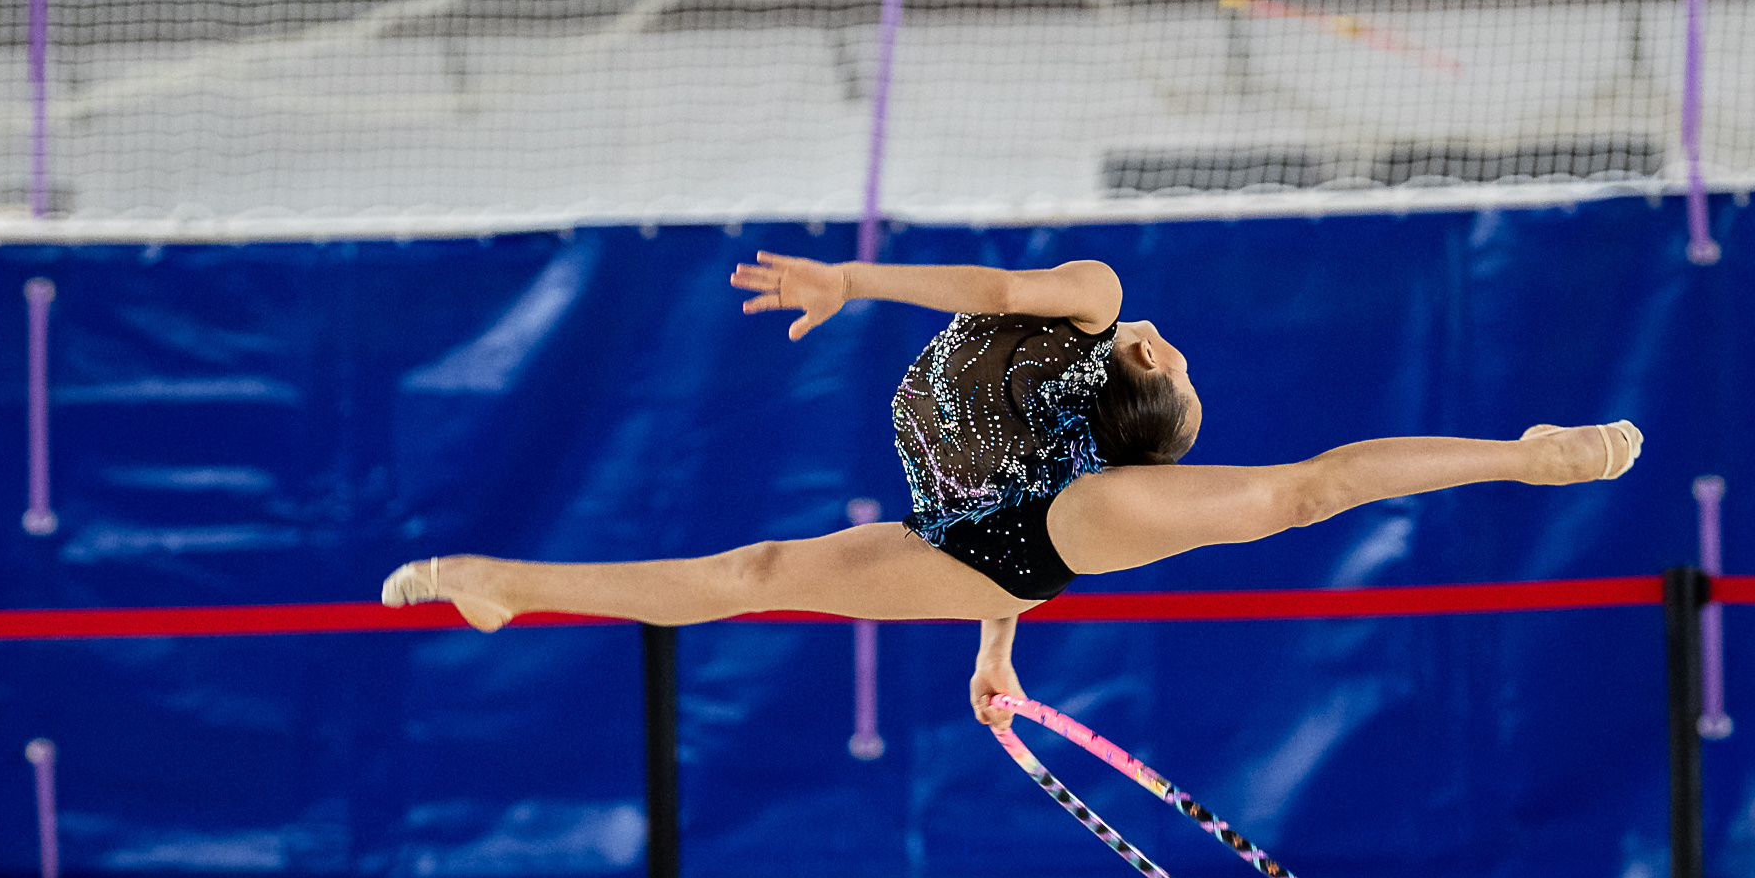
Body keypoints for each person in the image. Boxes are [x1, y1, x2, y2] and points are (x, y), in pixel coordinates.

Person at [382, 251, 1640, 727]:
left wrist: (852, 280)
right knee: (752, 574)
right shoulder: (1067, 385)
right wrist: (1001, 649)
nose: (1179, 342)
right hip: (980, 543)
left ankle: (1527, 452)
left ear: (1144, 360)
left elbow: (992, 292)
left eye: (1182, 362)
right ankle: (499, 581)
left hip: (1015, 535)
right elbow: (1017, 487)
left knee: (1303, 495)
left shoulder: (1098, 300)